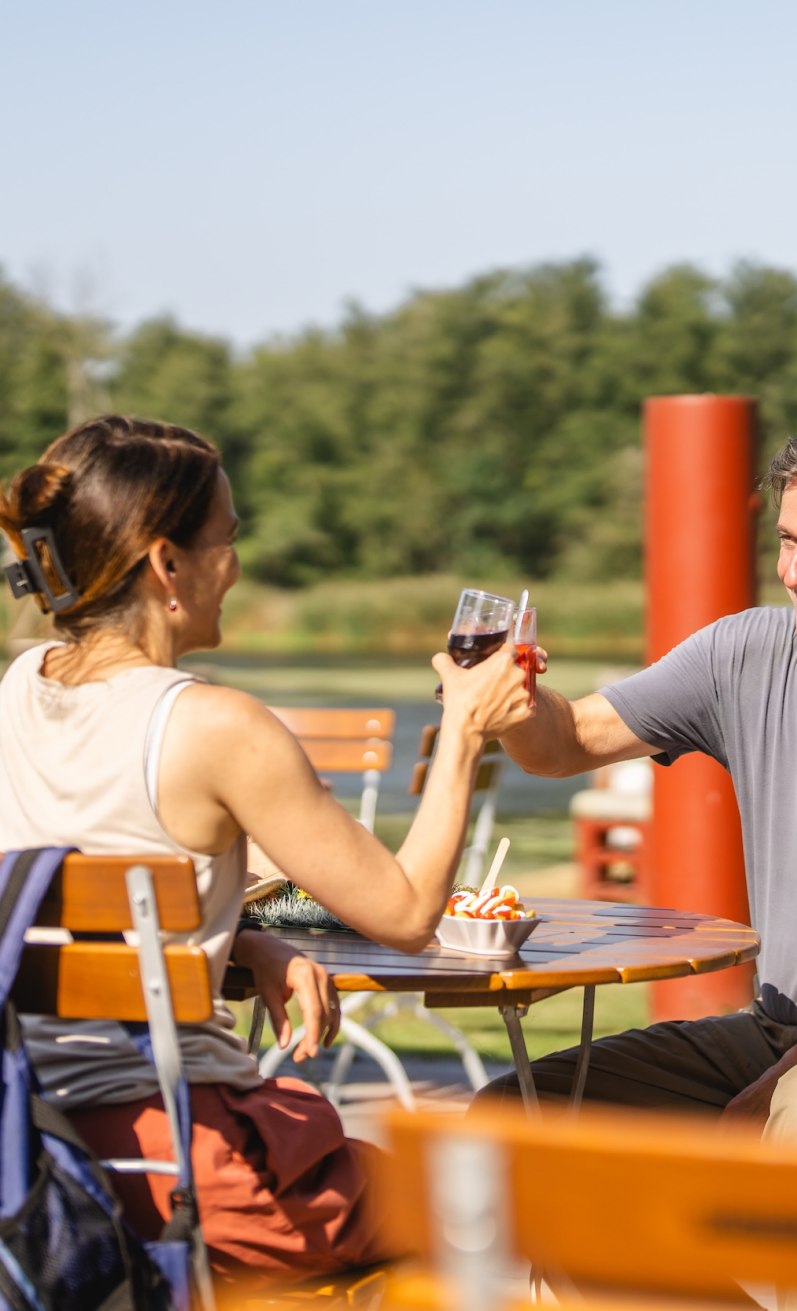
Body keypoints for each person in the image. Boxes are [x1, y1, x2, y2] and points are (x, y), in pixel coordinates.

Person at [0, 414, 533, 1291]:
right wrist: (468, 727)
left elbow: (68, 885)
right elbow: (403, 915)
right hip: (193, 1170)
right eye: (227, 539)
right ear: (168, 564)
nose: (236, 566)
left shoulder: (21, 685)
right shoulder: (217, 727)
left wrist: (244, 938)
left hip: (38, 1150)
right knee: (501, 1193)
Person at [488, 408, 797, 1156]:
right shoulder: (742, 652)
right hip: (775, 1031)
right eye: (787, 540)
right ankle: (665, 1278)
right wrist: (513, 696)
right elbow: (563, 742)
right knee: (521, 1108)